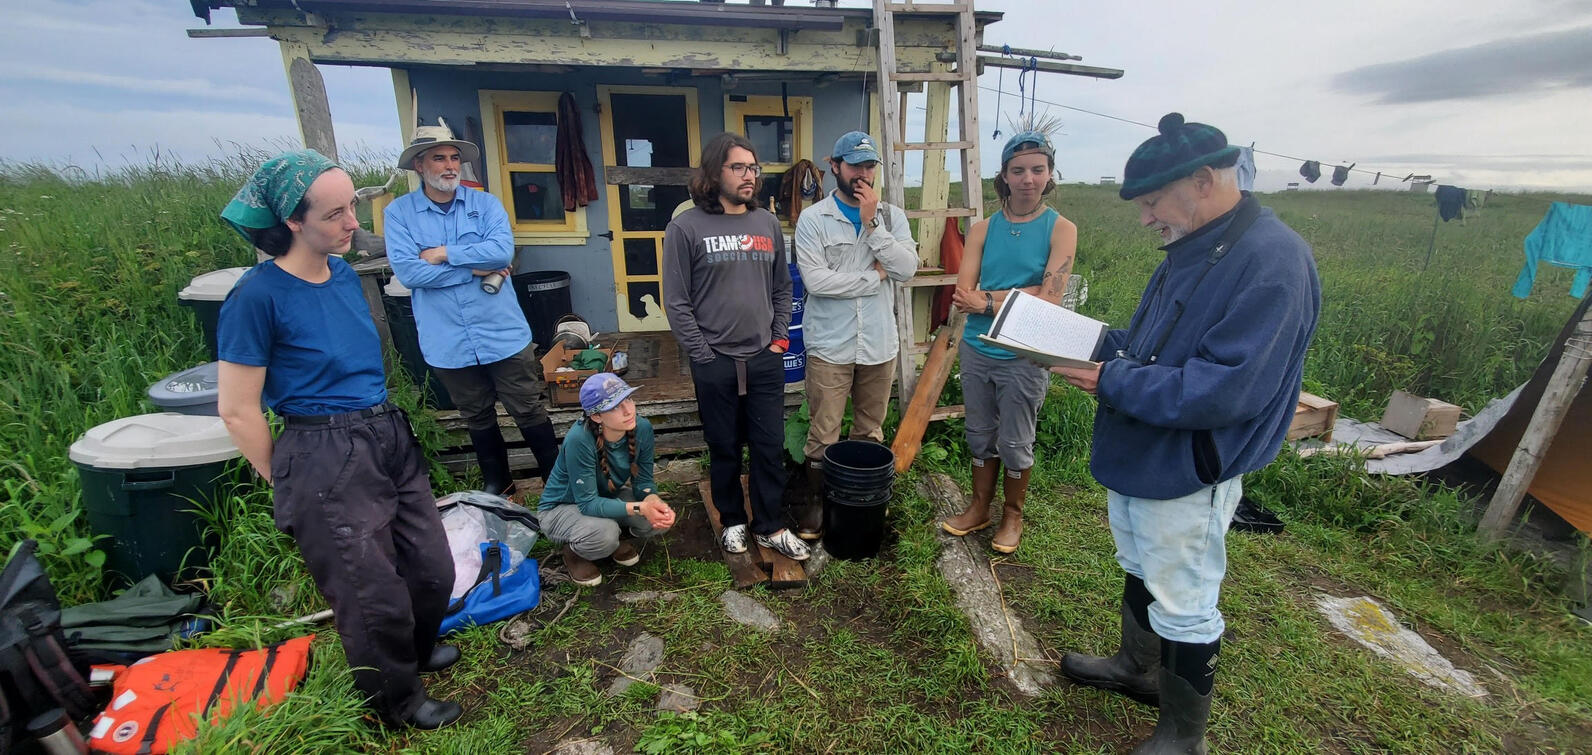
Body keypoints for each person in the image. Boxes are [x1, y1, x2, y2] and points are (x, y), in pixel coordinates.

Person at [1052, 113, 1320, 754]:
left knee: (1186, 594)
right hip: (1147, 447)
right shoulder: (1194, 244)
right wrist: (1064, 334)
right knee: (1142, 563)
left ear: (1203, 180)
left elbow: (1227, 388)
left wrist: (1110, 380)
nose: (1146, 218)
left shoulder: (1272, 261)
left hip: (1190, 463)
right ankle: (1136, 668)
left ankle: (1182, 736)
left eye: (1151, 202)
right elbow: (1144, 344)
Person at [214, 150, 462, 730]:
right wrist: (288, 477)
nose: (354, 222)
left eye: (352, 206)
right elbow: (236, 407)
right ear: (292, 223)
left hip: (384, 431)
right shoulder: (257, 297)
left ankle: (418, 651)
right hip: (321, 447)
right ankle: (394, 702)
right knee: (368, 589)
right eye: (335, 213)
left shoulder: (344, 272)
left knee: (432, 567)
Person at [384, 124, 559, 496]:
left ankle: (556, 483)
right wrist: (474, 268)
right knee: (476, 415)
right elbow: (410, 272)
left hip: (502, 334)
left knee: (528, 409)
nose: (450, 166)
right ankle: (501, 484)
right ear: (419, 165)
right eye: (439, 158)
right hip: (447, 339)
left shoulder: (486, 204)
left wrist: (445, 254)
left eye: (454, 158)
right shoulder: (399, 214)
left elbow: (501, 253)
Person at [662, 132, 809, 561]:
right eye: (738, 168)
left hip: (764, 356)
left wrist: (779, 338)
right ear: (713, 173)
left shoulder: (765, 223)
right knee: (723, 444)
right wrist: (702, 355)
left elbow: (782, 287)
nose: (750, 176)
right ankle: (732, 521)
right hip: (715, 360)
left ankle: (770, 525)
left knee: (768, 445)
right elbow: (676, 300)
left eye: (754, 168)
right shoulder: (686, 226)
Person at [940, 129, 1077, 554]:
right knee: (980, 431)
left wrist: (989, 300)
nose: (1028, 179)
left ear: (1050, 174)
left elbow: (1051, 298)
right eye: (1018, 170)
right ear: (1004, 175)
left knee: (1017, 438)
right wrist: (1011, 297)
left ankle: (1012, 515)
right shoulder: (982, 230)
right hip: (978, 349)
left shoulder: (1062, 229)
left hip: (1024, 352)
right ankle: (979, 505)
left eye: (1037, 170)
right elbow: (964, 296)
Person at [791, 131, 919, 540]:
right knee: (823, 430)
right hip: (830, 344)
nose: (864, 174)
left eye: (870, 166)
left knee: (869, 429)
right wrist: (872, 277)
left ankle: (860, 500)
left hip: (879, 344)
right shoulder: (813, 220)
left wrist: (873, 225)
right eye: (855, 165)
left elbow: (906, 270)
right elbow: (816, 282)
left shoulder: (892, 217)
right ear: (835, 167)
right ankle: (815, 503)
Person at [537, 373, 675, 587]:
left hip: (604, 496)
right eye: (615, 406)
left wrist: (652, 500)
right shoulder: (579, 439)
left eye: (628, 399)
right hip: (561, 509)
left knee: (657, 518)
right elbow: (588, 503)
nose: (628, 410)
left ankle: (610, 541)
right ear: (596, 416)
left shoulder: (642, 428)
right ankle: (574, 552)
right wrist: (639, 507)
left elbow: (644, 480)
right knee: (605, 533)